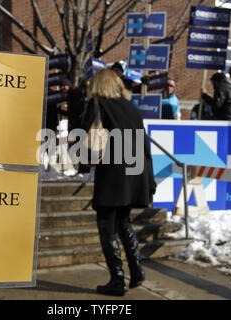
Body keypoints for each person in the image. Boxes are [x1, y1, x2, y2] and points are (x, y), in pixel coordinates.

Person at [81, 68, 156, 296]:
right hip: (136, 174)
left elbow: (84, 138)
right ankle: (137, 269)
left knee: (107, 227)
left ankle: (117, 280)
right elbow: (144, 145)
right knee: (124, 222)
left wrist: (83, 162)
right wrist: (149, 180)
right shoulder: (131, 108)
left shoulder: (97, 105)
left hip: (113, 174)